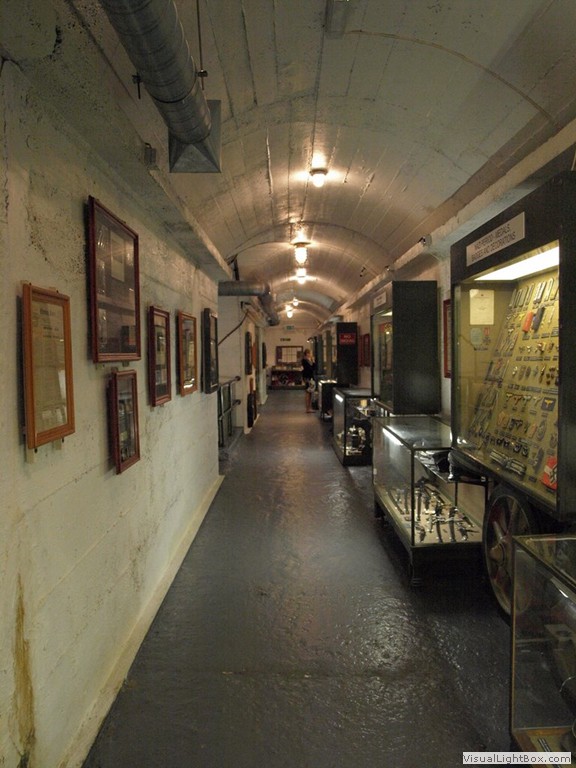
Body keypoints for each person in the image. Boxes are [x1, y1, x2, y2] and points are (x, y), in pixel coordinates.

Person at [301, 348, 316, 412]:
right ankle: (307, 408)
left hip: (309, 377)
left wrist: (313, 361)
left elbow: (314, 368)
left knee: (310, 392)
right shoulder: (305, 361)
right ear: (307, 354)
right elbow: (310, 369)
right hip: (308, 377)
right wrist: (312, 362)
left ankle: (309, 407)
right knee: (308, 392)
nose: (311, 355)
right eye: (310, 353)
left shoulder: (308, 361)